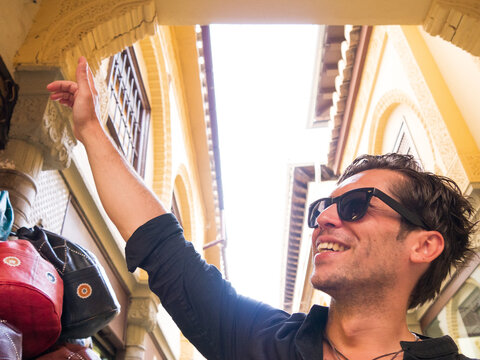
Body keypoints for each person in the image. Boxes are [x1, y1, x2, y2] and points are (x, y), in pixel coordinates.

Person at [47, 56, 477, 360]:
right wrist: (89, 128)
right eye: (323, 209)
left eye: (354, 206)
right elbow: (162, 246)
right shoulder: (259, 341)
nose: (324, 218)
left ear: (424, 245)